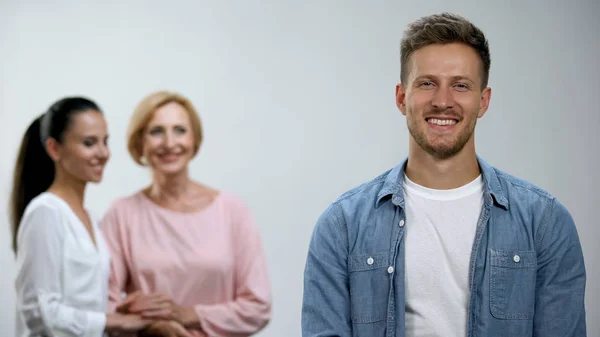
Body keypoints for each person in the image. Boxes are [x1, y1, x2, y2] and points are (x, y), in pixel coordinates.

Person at [301, 12, 586, 337]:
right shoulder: (342, 227)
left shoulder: (545, 224)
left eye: (460, 86)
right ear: (401, 97)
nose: (442, 101)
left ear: (483, 101)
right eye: (427, 83)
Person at [100, 90, 272, 337]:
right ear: (140, 143)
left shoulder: (233, 211)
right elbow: (103, 306)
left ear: (195, 140)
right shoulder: (121, 215)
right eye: (156, 131)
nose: (170, 143)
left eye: (180, 130)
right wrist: (151, 326)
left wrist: (187, 315)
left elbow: (258, 306)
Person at [10, 97, 153, 337]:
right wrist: (114, 322)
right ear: (54, 148)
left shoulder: (91, 220)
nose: (103, 153)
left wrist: (126, 307)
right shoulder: (46, 212)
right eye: (89, 143)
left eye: (105, 142)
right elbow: (38, 311)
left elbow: (84, 301)